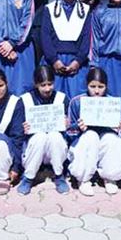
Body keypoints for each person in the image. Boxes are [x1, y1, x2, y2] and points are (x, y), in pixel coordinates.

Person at [66, 68, 121, 196]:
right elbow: (68, 132)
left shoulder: (113, 103)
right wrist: (79, 128)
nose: (96, 91)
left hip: (105, 140)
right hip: (85, 142)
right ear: (86, 85)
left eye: (101, 87)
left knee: (111, 139)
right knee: (91, 136)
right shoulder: (77, 102)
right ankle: (84, 179)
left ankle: (109, 177)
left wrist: (118, 127)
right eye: (92, 86)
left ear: (106, 86)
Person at [17, 66, 71, 195]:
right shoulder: (25, 100)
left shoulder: (62, 98)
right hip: (33, 149)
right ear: (36, 84)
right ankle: (28, 177)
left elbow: (72, 130)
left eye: (50, 84)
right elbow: (16, 130)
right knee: (40, 136)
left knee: (54, 136)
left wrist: (67, 125)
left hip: (55, 150)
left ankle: (59, 175)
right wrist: (23, 128)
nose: (47, 89)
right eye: (43, 85)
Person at [40, 0, 91, 99]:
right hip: (55, 62)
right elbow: (45, 37)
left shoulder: (85, 9)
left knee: (76, 98)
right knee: (54, 98)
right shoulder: (49, 9)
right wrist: (54, 60)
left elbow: (87, 38)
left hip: (77, 63)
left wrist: (78, 61)